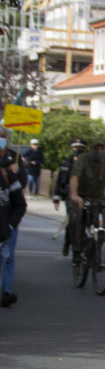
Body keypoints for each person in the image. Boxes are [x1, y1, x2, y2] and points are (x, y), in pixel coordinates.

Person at [0, 132, 27, 308]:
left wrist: (9, 225)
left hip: (5, 225)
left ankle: (5, 291)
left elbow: (20, 202)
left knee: (7, 256)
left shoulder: (13, 161)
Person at [53, 138, 88, 257]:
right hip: (70, 196)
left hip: (85, 195)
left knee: (84, 222)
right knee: (74, 221)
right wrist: (56, 198)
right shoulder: (67, 163)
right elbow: (60, 181)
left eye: (81, 148)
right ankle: (69, 244)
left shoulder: (89, 164)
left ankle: (85, 246)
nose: (78, 150)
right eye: (76, 147)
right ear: (72, 148)